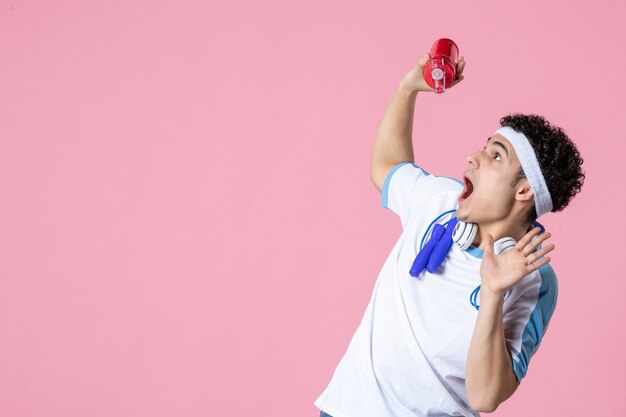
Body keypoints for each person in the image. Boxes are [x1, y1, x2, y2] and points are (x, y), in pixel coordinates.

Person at [314, 53, 585, 417]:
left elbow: (485, 397)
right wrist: (408, 88)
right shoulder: (439, 201)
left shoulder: (533, 279)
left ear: (523, 192)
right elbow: (387, 167)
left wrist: (492, 293)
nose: (474, 157)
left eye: (496, 156)